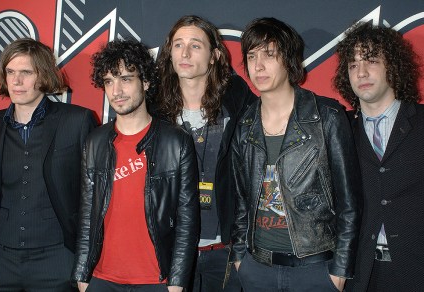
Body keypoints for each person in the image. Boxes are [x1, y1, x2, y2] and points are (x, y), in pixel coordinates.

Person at [229, 17, 362, 292]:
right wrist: (240, 258)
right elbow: (241, 202)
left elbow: (350, 203)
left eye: (269, 54)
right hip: (257, 269)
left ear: (288, 60)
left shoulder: (326, 116)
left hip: (315, 270)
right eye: (252, 56)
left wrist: (338, 272)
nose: (258, 65)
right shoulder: (244, 125)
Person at [71, 39, 200, 292]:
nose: (116, 90)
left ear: (146, 82)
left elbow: (187, 221)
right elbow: (87, 215)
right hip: (101, 279)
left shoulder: (176, 142)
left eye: (126, 79)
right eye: (109, 81)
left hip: (156, 281)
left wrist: (176, 282)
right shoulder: (95, 142)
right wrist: (82, 276)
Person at [0, 38, 97, 291]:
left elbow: (95, 195)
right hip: (1, 262)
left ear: (44, 75)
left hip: (57, 259)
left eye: (26, 73)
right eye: (10, 72)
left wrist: (82, 262)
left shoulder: (77, 121)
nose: (16, 81)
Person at [156, 15, 257, 292]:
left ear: (214, 56)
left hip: (226, 252)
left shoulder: (237, 99)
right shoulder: (154, 111)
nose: (185, 53)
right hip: (171, 251)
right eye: (178, 45)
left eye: (195, 45)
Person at [333, 22, 424, 292]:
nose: (361, 72)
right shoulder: (339, 130)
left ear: (392, 67)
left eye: (371, 60)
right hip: (358, 275)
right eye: (352, 64)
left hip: (415, 271)